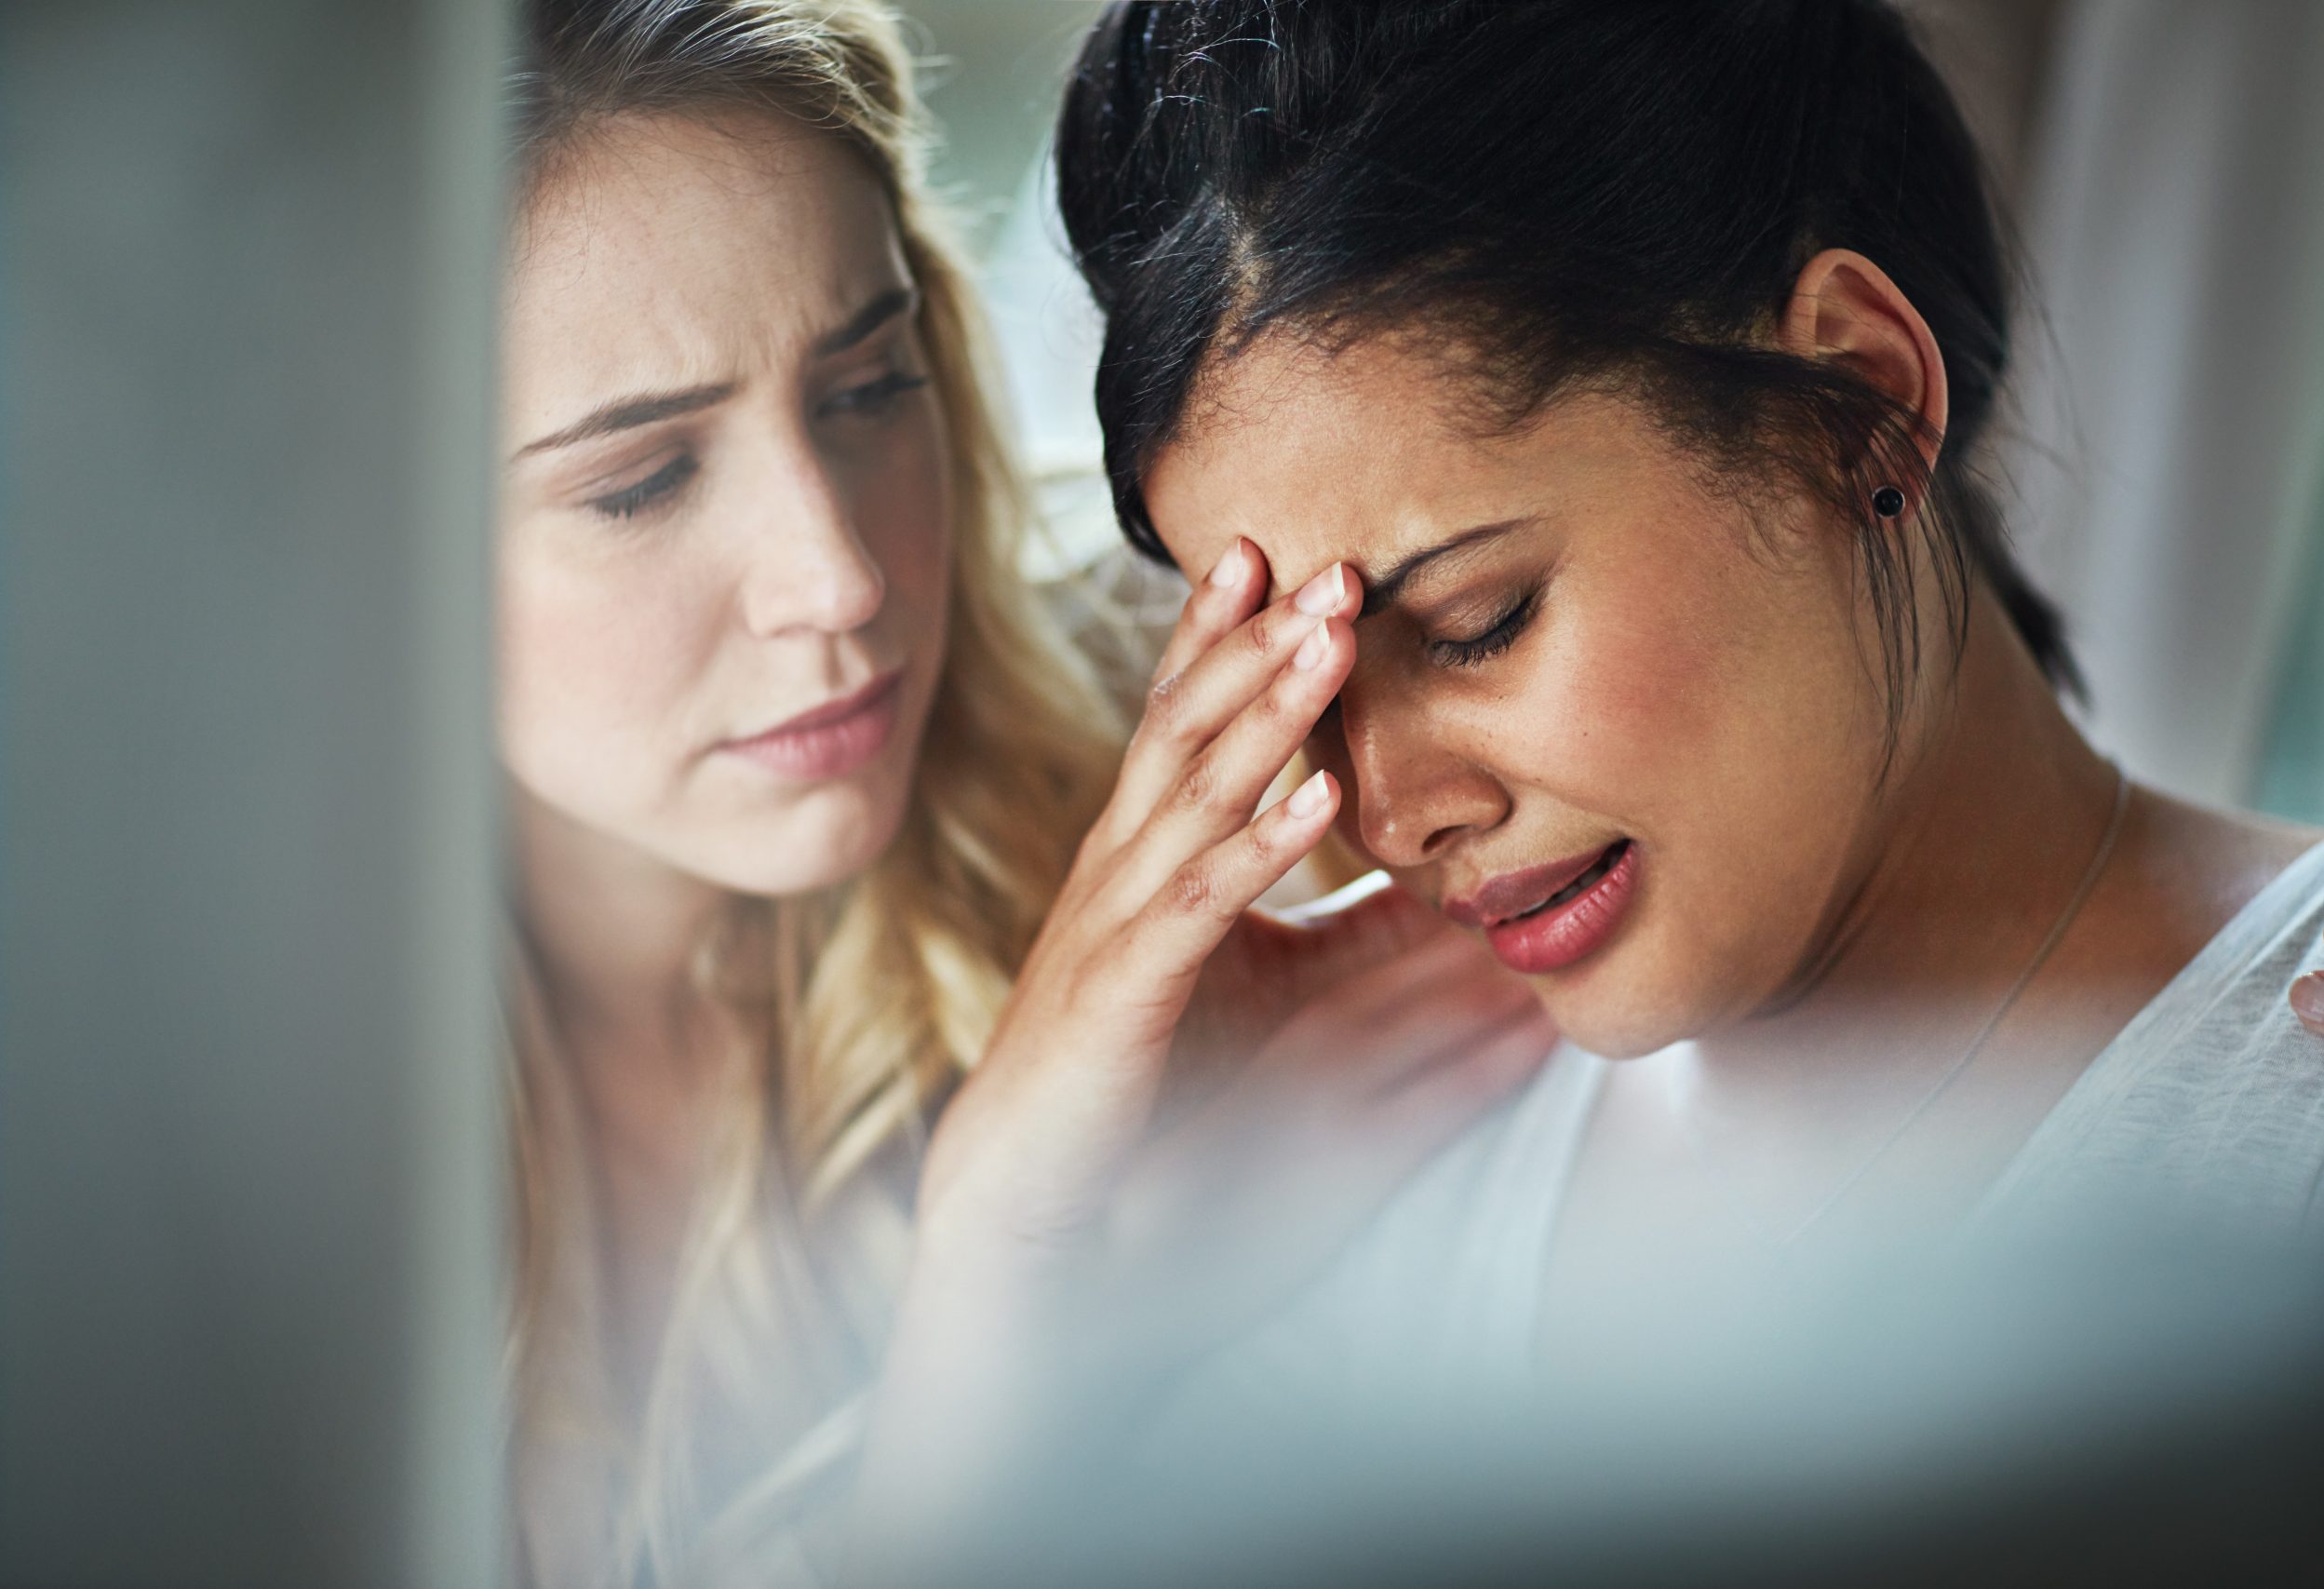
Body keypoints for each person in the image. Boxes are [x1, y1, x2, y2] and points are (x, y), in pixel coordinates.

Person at [1039, 0, 2324, 1399]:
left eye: (1476, 622)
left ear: (1852, 399)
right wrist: (1012, 1267)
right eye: (1295, 693)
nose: (1386, 814)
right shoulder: (1351, 1188)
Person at [497, 3, 1541, 1582]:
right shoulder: (218, 1188)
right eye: (638, 481)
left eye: (866, 387)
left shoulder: (1167, 738)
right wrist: (1019, 1285)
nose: (839, 577)